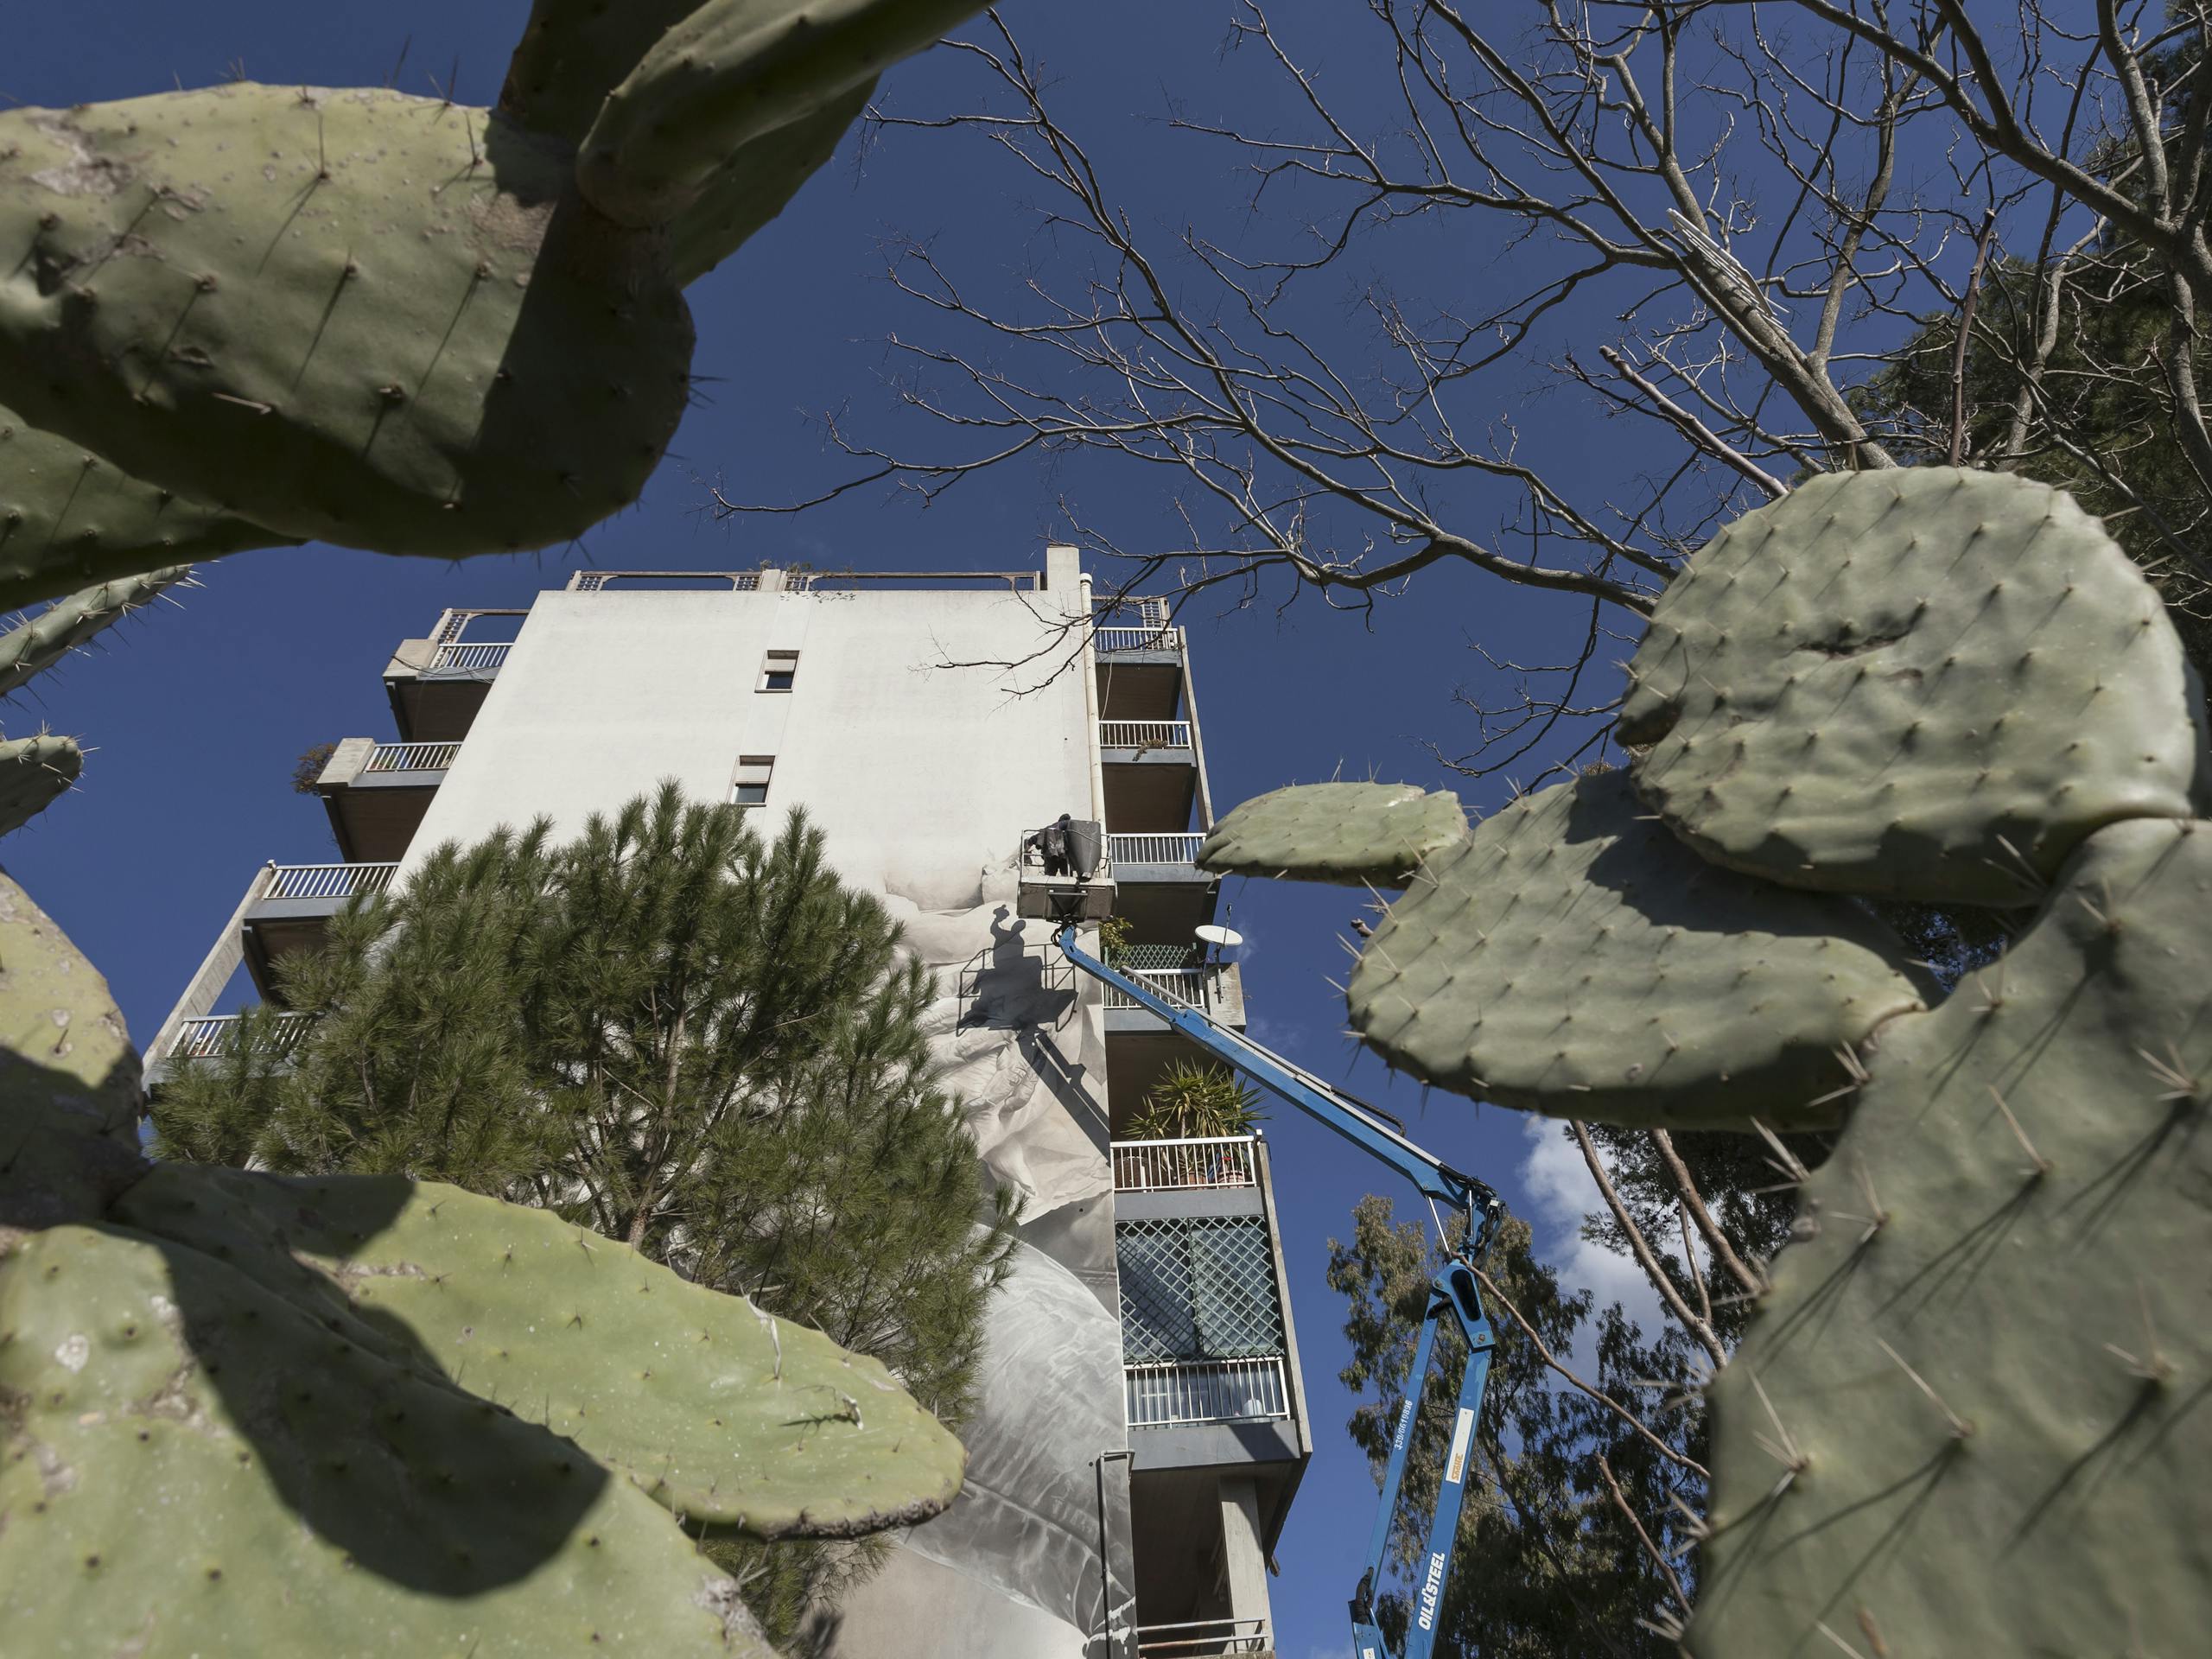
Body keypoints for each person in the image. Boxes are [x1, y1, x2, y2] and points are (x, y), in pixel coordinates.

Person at [1040, 812, 1071, 877]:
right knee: (1066, 875)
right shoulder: (1069, 828)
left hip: (1050, 856)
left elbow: (1035, 838)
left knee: (1049, 876)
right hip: (1063, 856)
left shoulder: (1048, 828)